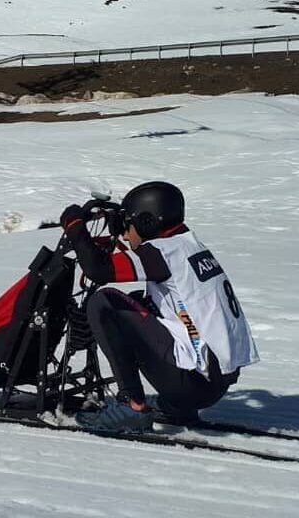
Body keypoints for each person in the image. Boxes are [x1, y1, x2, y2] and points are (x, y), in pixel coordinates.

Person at [59, 181, 259, 433]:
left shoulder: (163, 251)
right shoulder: (189, 246)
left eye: (128, 226)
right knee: (138, 301)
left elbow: (97, 270)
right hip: (216, 380)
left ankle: (132, 405)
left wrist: (75, 226)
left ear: (147, 223)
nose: (125, 235)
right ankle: (178, 406)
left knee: (104, 302)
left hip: (191, 383)